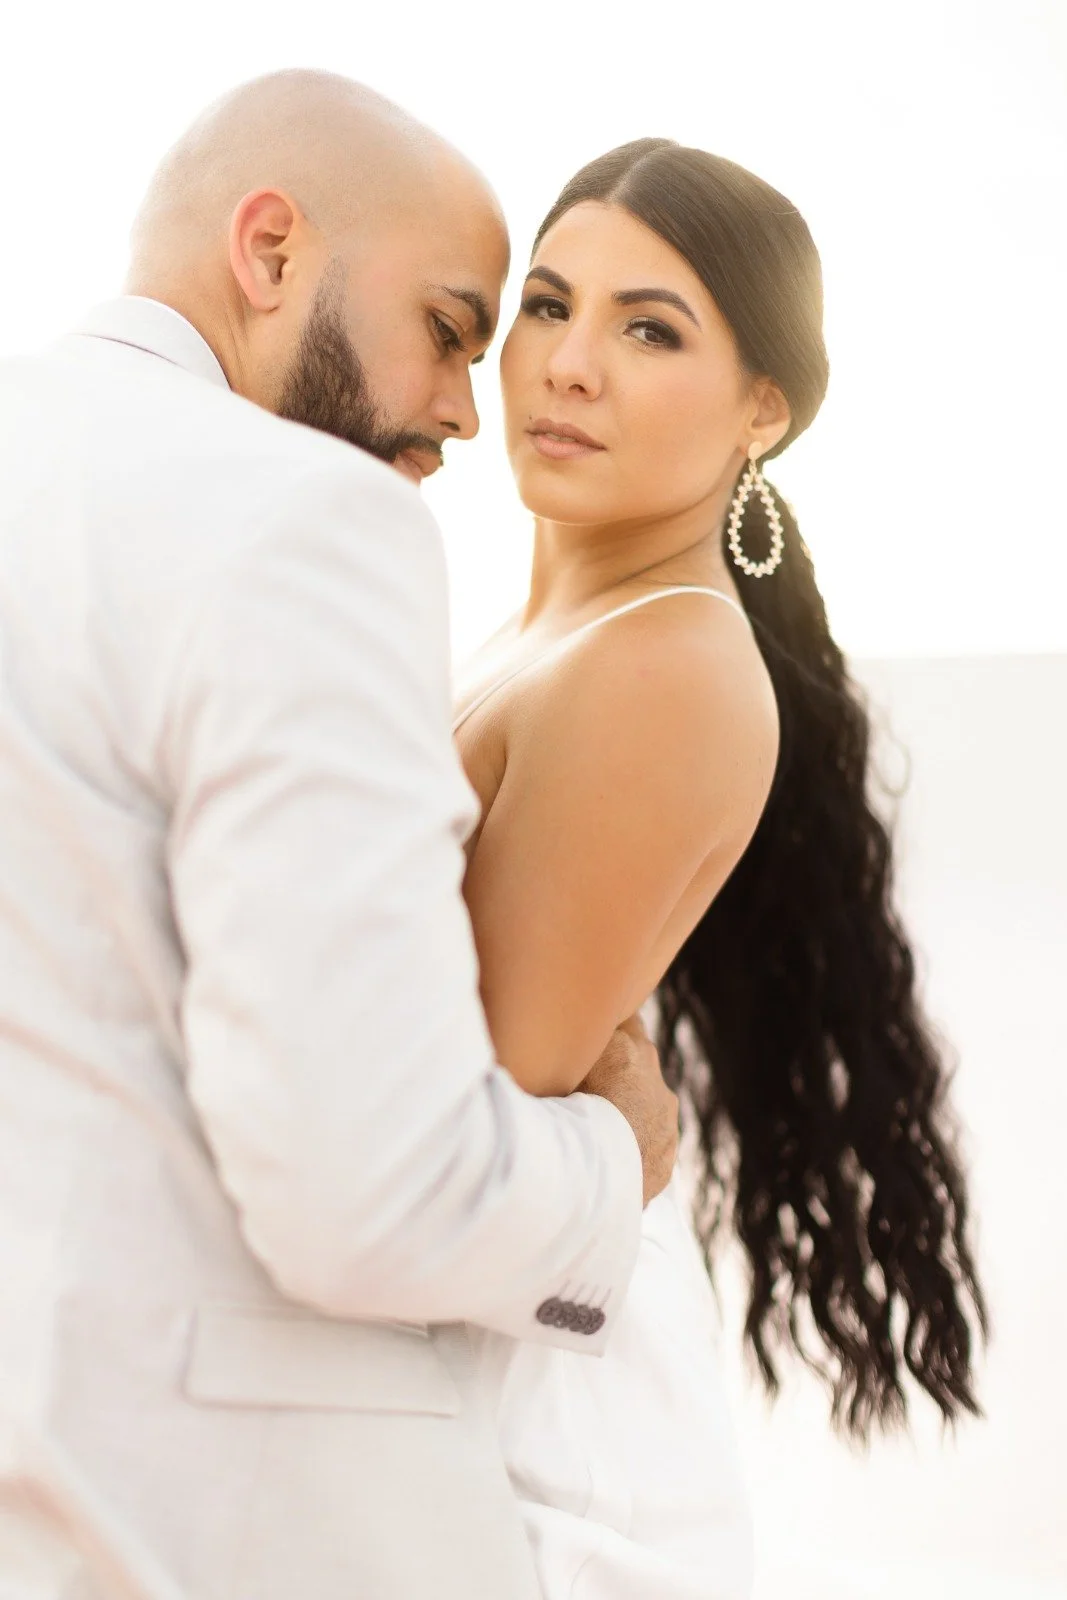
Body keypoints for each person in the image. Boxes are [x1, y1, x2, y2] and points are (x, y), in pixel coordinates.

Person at [0, 76, 682, 1600]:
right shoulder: (305, 515)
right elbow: (368, 1195)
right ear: (270, 251)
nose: (463, 411)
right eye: (447, 327)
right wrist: (613, 1159)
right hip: (214, 1539)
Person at [451, 139, 988, 1598]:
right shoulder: (551, 638)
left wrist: (622, 1120)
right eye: (548, 305)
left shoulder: (661, 666)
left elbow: (463, 1121)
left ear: (765, 408)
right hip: (483, 1368)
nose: (567, 364)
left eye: (649, 330)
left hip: (529, 1431)